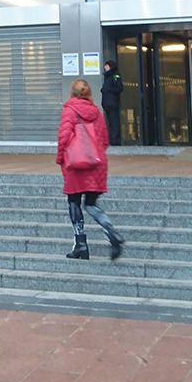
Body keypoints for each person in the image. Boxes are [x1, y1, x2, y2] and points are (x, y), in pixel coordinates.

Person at [56, 79, 123, 260]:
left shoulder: (69, 112)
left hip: (76, 165)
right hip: (96, 164)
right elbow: (104, 141)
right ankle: (110, 230)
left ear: (72, 93)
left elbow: (64, 139)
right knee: (91, 203)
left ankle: (81, 244)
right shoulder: (97, 113)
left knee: (74, 202)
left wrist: (60, 158)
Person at [99, 60, 124, 146]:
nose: (105, 67)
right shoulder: (107, 77)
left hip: (112, 103)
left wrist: (108, 90)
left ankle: (115, 140)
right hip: (107, 103)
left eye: (106, 66)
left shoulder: (114, 76)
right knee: (110, 122)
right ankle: (111, 139)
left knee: (114, 121)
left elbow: (119, 88)